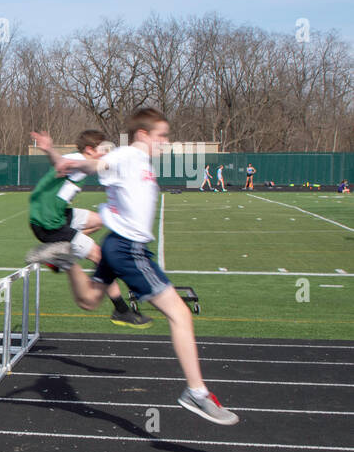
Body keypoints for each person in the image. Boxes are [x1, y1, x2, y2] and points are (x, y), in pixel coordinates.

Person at [32, 108, 238, 425]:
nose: (165, 143)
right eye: (161, 136)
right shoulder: (127, 154)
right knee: (180, 314)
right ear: (143, 134)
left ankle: (66, 258)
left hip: (122, 244)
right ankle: (196, 393)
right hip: (129, 249)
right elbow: (98, 163)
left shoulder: (140, 161)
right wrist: (68, 161)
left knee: (88, 300)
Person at [24, 130, 151, 328]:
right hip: (49, 223)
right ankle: (121, 310)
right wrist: (49, 150)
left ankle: (61, 247)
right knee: (101, 256)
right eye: (103, 150)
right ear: (90, 150)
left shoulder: (80, 160)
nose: (107, 154)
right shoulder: (77, 160)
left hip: (56, 215)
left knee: (99, 220)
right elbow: (59, 162)